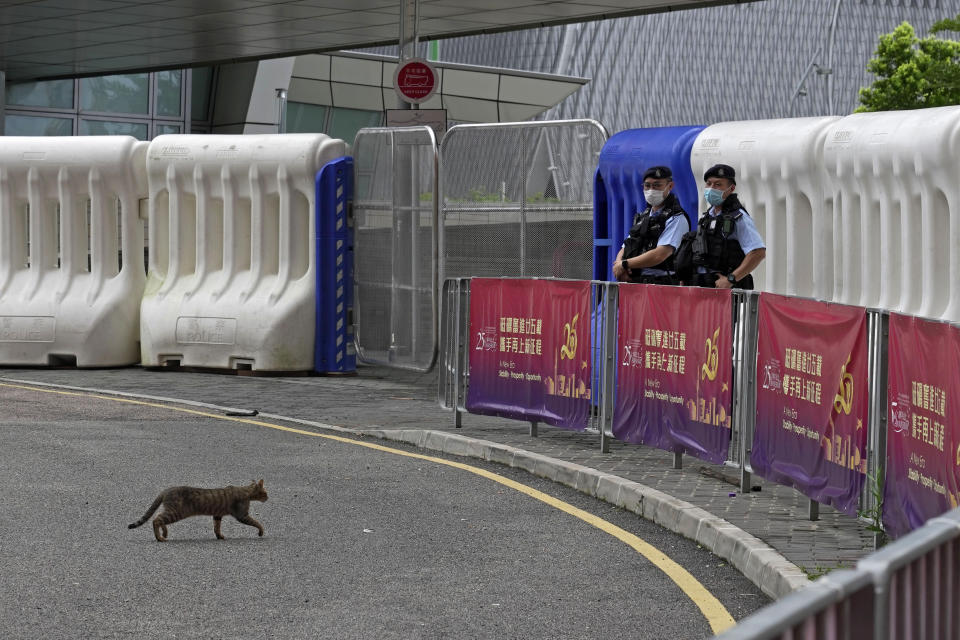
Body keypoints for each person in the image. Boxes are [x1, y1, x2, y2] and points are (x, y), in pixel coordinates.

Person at [681, 163, 765, 289]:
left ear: (731, 189)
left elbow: (758, 252)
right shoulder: (707, 217)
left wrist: (731, 279)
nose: (711, 188)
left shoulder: (738, 217)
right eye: (709, 184)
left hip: (726, 290)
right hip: (703, 286)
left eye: (718, 184)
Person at [611, 165, 690, 285]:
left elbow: (660, 254)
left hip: (661, 285)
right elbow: (626, 245)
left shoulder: (676, 217)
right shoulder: (644, 216)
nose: (651, 190)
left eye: (657, 185)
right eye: (647, 185)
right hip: (636, 283)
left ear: (670, 186)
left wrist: (625, 264)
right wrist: (619, 265)